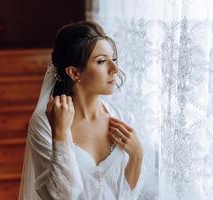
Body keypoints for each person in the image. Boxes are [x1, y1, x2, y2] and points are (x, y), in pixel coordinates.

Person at [18, 21, 145, 200]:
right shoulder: (45, 124)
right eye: (101, 61)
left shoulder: (124, 120)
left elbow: (127, 196)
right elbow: (62, 196)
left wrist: (137, 157)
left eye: (113, 59)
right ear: (74, 72)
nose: (115, 69)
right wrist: (60, 134)